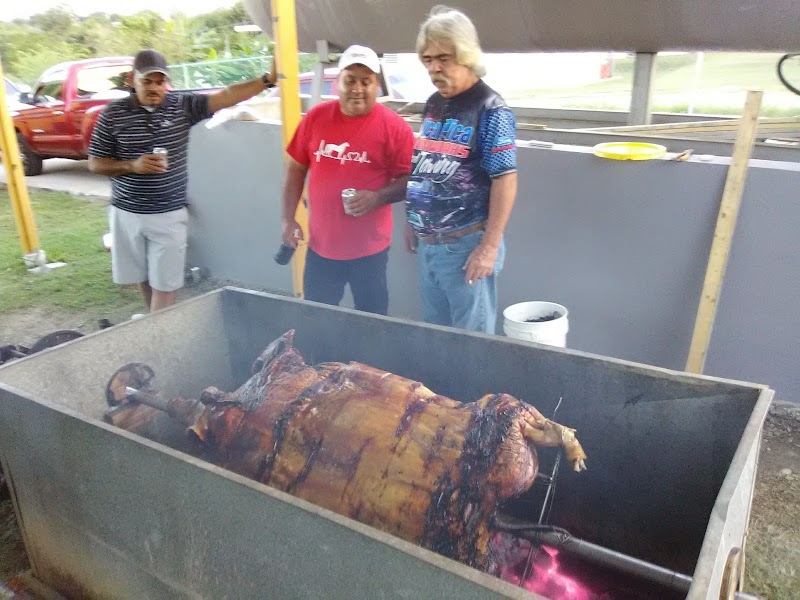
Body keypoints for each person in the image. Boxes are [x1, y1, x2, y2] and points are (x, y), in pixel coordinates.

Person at [88, 49, 277, 312]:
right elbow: (96, 163)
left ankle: (159, 330)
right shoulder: (113, 113)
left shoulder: (182, 106)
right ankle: (155, 327)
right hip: (126, 212)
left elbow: (226, 96)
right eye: (147, 81)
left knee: (165, 285)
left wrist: (267, 80)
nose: (155, 88)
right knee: (142, 276)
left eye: (160, 81)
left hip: (168, 214)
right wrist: (133, 165)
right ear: (132, 79)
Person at [405, 6, 518, 334]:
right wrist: (414, 220)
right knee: (437, 337)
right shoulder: (434, 103)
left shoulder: (490, 109)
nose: (434, 68)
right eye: (428, 60)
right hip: (430, 245)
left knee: (472, 344)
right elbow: (425, 165)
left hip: (466, 247)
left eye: (444, 58)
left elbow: (505, 180)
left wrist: (489, 247)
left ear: (467, 55)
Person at [281, 45, 414, 315]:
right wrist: (288, 219)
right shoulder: (315, 118)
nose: (357, 89)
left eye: (366, 81)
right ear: (338, 83)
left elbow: (411, 180)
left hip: (370, 250)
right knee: (317, 318)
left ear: (377, 86)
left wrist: (377, 197)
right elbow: (295, 170)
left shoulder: (395, 127)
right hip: (321, 246)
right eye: (350, 80)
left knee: (372, 320)